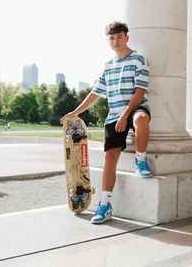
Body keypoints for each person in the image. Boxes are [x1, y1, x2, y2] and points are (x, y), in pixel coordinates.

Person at [60, 21, 152, 224]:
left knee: (142, 119)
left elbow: (140, 91)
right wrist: (75, 112)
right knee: (110, 157)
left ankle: (141, 158)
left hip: (134, 108)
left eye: (119, 36)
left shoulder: (139, 59)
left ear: (127, 37)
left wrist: (126, 115)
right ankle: (105, 204)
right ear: (108, 40)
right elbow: (95, 93)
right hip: (114, 114)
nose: (116, 41)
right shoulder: (108, 66)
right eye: (111, 38)